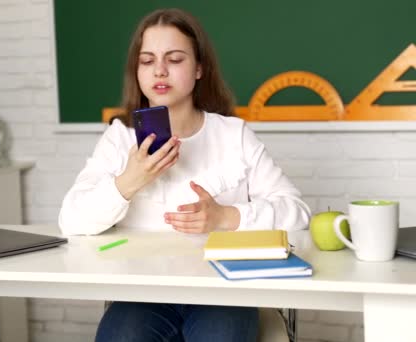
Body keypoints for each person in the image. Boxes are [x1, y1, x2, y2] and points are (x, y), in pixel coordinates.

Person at [58, 8, 311, 342]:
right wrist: (128, 182)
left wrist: (226, 217)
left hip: (223, 288)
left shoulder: (233, 135)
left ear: (199, 69)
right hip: (143, 292)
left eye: (174, 59)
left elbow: (298, 212)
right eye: (147, 61)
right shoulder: (120, 137)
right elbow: (70, 220)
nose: (159, 70)